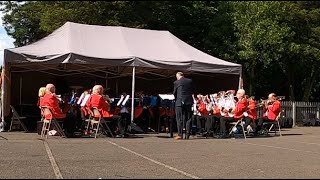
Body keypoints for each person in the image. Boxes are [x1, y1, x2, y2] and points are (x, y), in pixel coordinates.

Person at [173, 72, 193, 140]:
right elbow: (192, 90)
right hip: (188, 101)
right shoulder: (190, 81)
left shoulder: (176, 82)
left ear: (178, 76)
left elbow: (174, 93)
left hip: (179, 102)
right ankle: (187, 135)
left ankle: (180, 134)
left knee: (179, 118)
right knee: (188, 118)